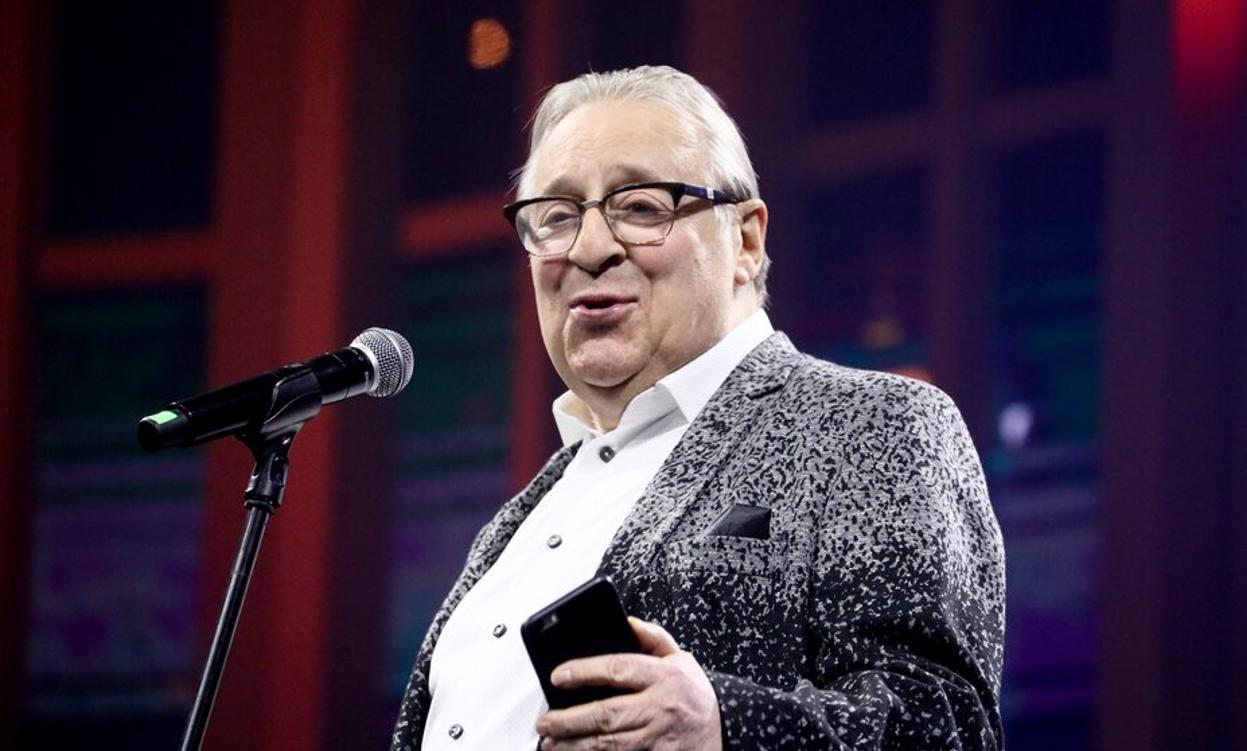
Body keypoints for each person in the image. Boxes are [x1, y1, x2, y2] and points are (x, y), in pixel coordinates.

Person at [392, 65, 1004, 751]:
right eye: (557, 217)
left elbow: (946, 724)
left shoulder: (871, 424)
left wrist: (724, 725)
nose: (589, 248)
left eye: (640, 207)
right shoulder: (515, 523)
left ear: (745, 240)